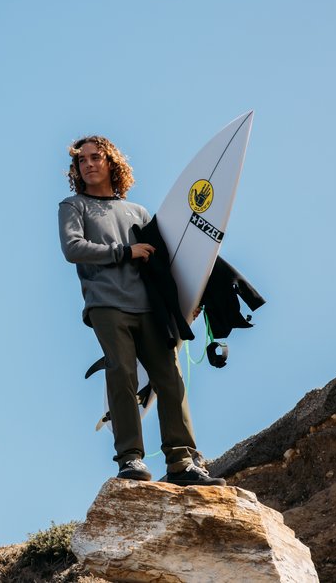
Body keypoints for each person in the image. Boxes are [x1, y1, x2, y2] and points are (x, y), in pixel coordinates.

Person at [57, 135, 224, 486]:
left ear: (111, 163)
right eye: (81, 160)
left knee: (169, 378)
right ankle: (130, 459)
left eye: (95, 157)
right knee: (122, 374)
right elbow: (73, 248)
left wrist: (185, 303)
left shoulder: (138, 212)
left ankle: (181, 462)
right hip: (106, 303)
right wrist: (124, 252)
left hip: (148, 306)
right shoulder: (74, 207)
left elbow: (165, 263)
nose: (87, 164)